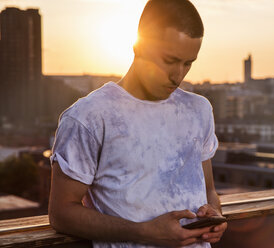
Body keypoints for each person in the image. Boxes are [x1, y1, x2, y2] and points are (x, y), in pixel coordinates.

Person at [48, 0, 227, 247]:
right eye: (169, 60)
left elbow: (208, 191)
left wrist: (214, 216)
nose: (178, 76)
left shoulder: (199, 110)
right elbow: (61, 214)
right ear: (138, 46)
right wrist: (144, 232)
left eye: (188, 63)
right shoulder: (88, 116)